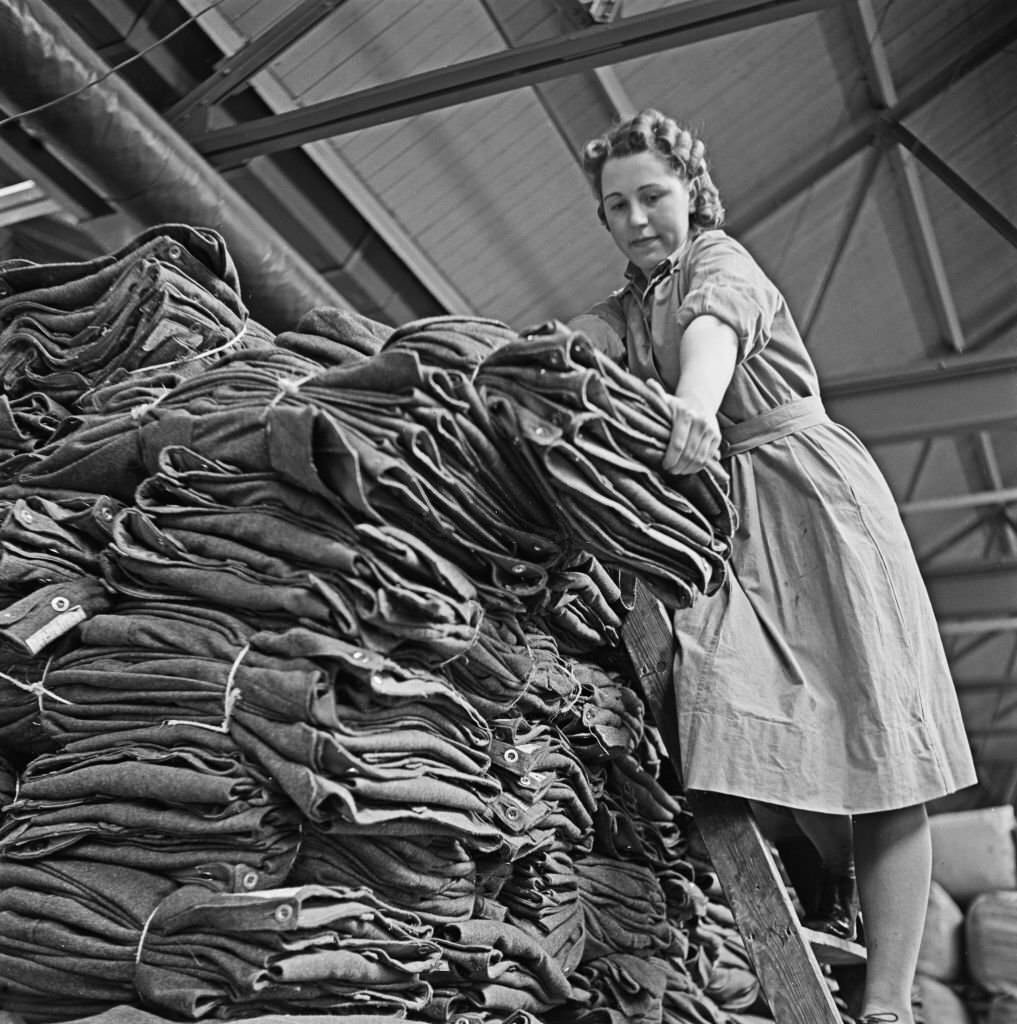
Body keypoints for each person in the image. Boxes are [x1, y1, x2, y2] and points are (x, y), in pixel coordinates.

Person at [568, 108, 978, 1024]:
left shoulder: (719, 263)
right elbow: (560, 355)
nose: (637, 219)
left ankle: (887, 1005)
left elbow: (715, 333)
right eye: (616, 206)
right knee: (725, 719)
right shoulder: (626, 310)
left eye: (653, 197)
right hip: (720, 520)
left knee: (875, 744)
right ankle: (821, 871)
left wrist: (694, 405)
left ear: (691, 196)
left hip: (809, 501)